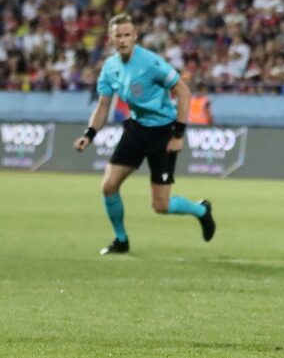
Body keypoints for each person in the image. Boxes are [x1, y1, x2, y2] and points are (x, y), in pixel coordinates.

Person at [73, 15, 216, 255]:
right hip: (137, 129)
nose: (122, 40)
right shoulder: (110, 67)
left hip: (163, 132)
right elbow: (103, 105)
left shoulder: (151, 63)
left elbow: (183, 92)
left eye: (127, 35)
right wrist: (89, 134)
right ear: (111, 38)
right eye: (118, 36)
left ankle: (201, 210)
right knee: (109, 186)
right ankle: (121, 240)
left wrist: (178, 134)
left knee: (161, 205)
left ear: (135, 36)